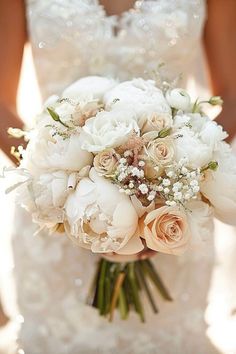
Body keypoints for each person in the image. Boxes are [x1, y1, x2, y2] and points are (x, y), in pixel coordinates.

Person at [0, 1, 235, 353]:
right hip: (56, 221)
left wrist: (174, 183)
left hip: (172, 220)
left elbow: (231, 94)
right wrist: (60, 185)